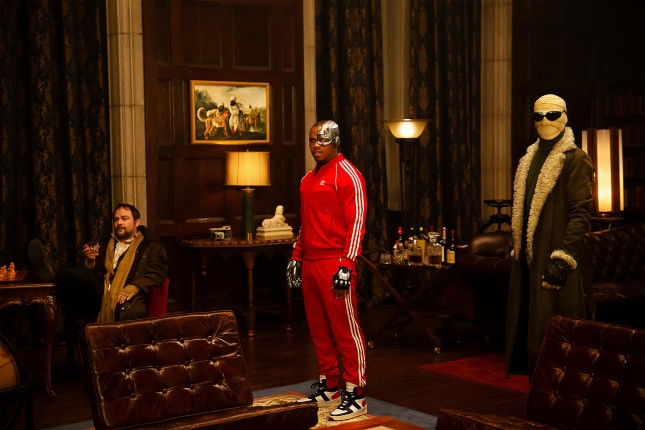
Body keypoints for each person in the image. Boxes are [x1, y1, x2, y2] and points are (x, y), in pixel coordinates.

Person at [505, 94, 594, 381]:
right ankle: (537, 388)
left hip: (554, 255)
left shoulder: (575, 159)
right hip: (529, 258)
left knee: (557, 332)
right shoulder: (528, 159)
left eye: (552, 114)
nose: (545, 121)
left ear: (565, 116)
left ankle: (560, 390)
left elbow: (581, 213)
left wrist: (563, 257)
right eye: (538, 115)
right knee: (530, 327)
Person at [287, 120, 368, 421]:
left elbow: (356, 222)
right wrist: (297, 255)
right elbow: (307, 223)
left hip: (335, 262)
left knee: (346, 331)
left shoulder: (348, 174)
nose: (315, 145)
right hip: (311, 262)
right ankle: (330, 387)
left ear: (335, 141)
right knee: (319, 330)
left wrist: (347, 264)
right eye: (312, 140)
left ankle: (356, 394)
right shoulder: (307, 179)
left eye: (322, 140)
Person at [29, 203, 168, 324]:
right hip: (103, 291)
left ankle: (54, 272)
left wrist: (135, 286)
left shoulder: (150, 245)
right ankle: (52, 272)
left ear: (137, 222)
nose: (119, 222)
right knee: (81, 279)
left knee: (85, 279)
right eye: (116, 219)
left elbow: (158, 271)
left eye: (124, 218)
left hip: (128, 292)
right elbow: (101, 271)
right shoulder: (108, 242)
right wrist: (92, 261)